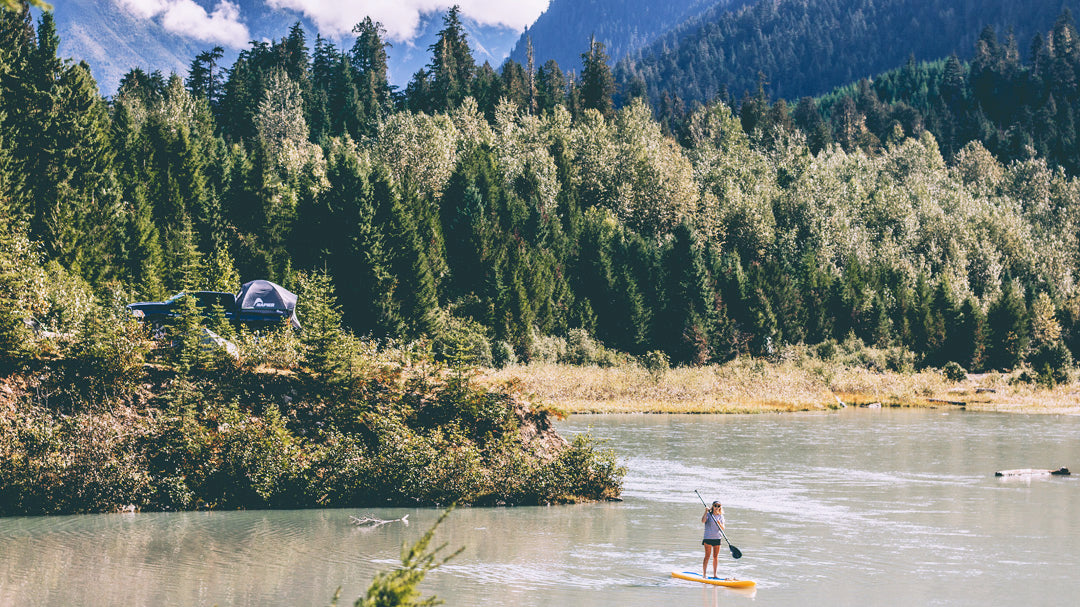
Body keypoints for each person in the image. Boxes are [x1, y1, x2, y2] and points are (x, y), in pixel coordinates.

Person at [701, 500, 725, 578]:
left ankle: (715, 575)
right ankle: (704, 574)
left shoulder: (721, 516)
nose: (716, 507)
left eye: (718, 506)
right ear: (713, 506)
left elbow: (723, 528)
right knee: (707, 556)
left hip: (717, 538)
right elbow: (703, 521)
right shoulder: (708, 514)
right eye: (715, 505)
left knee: (715, 557)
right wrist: (705, 512)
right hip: (708, 538)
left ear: (720, 507)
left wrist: (719, 523)